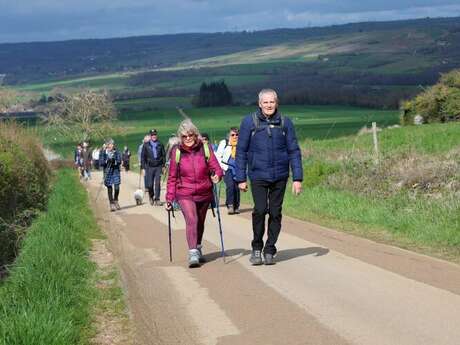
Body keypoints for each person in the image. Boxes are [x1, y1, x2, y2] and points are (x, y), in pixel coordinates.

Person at [235, 89, 303, 266]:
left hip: (280, 175)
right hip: (257, 174)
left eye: (272, 102)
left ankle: (270, 249)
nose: (269, 105)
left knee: (275, 212)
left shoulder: (285, 123)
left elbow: (294, 151)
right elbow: (241, 151)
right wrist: (240, 178)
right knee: (259, 210)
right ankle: (256, 247)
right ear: (259, 104)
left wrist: (297, 178)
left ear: (277, 103)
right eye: (265, 102)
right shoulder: (249, 122)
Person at [165, 119, 223, 268]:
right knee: (192, 219)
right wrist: (169, 198)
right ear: (180, 137)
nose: (188, 138)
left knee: (200, 223)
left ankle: (197, 246)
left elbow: (216, 167)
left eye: (190, 135)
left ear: (195, 134)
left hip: (204, 192)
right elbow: (172, 177)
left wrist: (217, 175)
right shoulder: (176, 151)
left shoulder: (205, 147)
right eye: (184, 136)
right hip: (185, 192)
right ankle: (192, 253)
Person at [216, 127, 240, 214]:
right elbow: (218, 156)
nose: (235, 136)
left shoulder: (240, 143)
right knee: (230, 186)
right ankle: (230, 205)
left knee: (237, 187)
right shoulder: (224, 143)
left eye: (237, 135)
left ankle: (236, 206)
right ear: (229, 135)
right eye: (232, 135)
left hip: (237, 168)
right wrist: (222, 167)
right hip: (227, 168)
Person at [141, 129, 166, 206]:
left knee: (157, 183)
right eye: (152, 135)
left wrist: (163, 166)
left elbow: (163, 155)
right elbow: (143, 157)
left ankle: (157, 199)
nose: (154, 136)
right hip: (149, 167)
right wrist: (143, 168)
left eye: (155, 134)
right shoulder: (146, 145)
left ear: (156, 135)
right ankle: (151, 196)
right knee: (149, 185)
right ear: (150, 136)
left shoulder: (160, 144)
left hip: (158, 166)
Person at [101, 139, 122, 212]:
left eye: (112, 144)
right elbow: (101, 163)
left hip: (115, 171)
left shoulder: (117, 152)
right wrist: (107, 161)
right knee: (109, 188)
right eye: (110, 144)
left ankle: (116, 199)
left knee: (117, 187)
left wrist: (114, 161)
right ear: (107, 145)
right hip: (108, 172)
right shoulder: (104, 153)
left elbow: (119, 161)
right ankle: (111, 203)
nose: (111, 146)